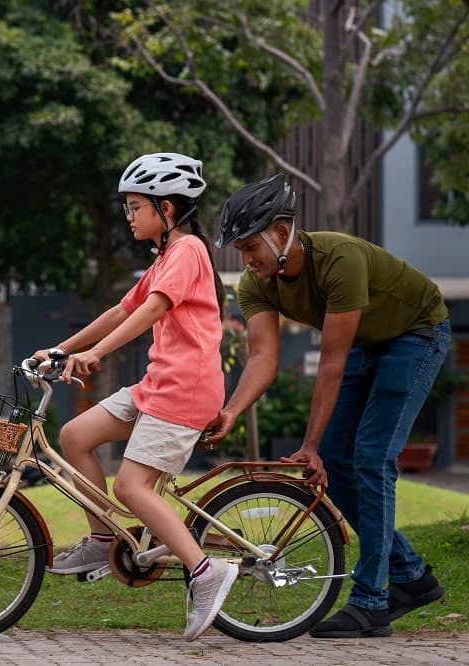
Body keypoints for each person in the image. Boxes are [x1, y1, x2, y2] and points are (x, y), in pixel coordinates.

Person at [207, 173, 449, 638]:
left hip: (416, 333)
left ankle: (371, 602)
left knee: (372, 458)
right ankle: (410, 576)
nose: (245, 259)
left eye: (250, 246)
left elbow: (331, 365)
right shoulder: (256, 284)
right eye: (239, 249)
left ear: (281, 231)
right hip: (365, 342)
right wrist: (232, 411)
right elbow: (262, 357)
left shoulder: (340, 258)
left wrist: (309, 444)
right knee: (336, 463)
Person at [33, 152, 233, 641]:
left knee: (131, 487)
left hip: (185, 391)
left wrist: (97, 353)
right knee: (75, 435)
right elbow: (121, 310)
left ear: (167, 209)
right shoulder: (165, 257)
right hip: (158, 385)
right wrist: (62, 349)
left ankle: (206, 572)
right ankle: (103, 539)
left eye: (135, 206)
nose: (128, 216)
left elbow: (152, 310)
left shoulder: (188, 250)